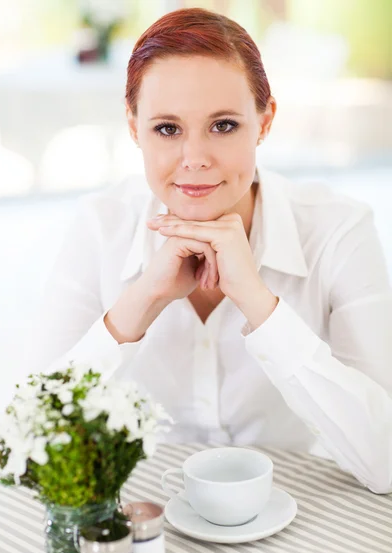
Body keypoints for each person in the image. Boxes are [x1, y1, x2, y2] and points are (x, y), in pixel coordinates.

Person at [29, 8, 392, 494]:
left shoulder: (338, 230)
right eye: (167, 129)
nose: (195, 159)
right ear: (134, 129)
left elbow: (384, 460)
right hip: (147, 511)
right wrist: (141, 301)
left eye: (223, 126)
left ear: (263, 123)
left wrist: (260, 305)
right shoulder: (101, 225)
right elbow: (27, 441)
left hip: (293, 510)